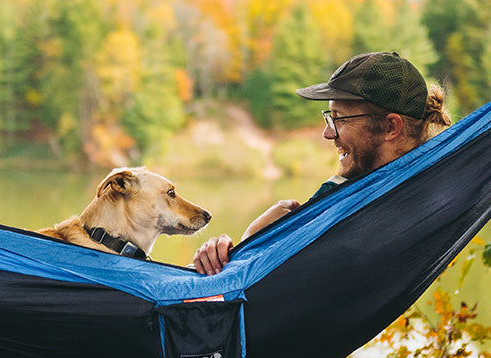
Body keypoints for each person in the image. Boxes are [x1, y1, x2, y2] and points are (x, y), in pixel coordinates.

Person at [192, 51, 451, 275]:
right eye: (330, 117)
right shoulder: (373, 192)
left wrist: (253, 236)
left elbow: (269, 288)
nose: (328, 133)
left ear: (390, 126)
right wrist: (231, 254)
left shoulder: (373, 211)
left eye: (341, 119)